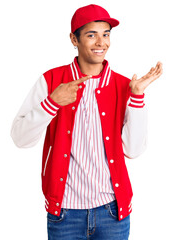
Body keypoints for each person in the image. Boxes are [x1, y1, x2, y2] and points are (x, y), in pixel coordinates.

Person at [11, 4, 163, 240]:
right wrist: (52, 103)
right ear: (74, 38)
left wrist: (137, 97)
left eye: (106, 34)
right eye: (91, 35)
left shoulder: (124, 86)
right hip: (64, 212)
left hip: (112, 212)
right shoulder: (51, 81)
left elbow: (133, 151)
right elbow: (20, 138)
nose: (101, 42)